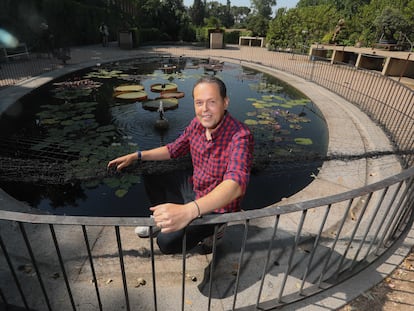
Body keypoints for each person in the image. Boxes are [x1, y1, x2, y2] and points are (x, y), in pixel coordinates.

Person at [107, 76, 254, 254]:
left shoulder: (240, 136)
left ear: (225, 102)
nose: (205, 110)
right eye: (199, 103)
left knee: (166, 243)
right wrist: (137, 155)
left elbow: (236, 185)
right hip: (195, 188)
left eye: (212, 102)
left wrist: (188, 212)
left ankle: (217, 230)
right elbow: (173, 149)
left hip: (217, 208)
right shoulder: (196, 125)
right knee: (148, 168)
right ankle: (161, 218)